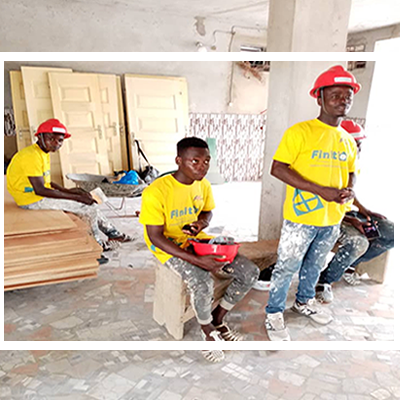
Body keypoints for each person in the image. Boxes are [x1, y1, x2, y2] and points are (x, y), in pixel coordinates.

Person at [139, 137, 259, 361]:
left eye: (206, 161)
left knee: (249, 272)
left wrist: (201, 223)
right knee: (202, 281)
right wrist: (197, 261)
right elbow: (155, 237)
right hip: (168, 246)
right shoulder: (156, 192)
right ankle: (208, 332)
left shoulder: (202, 184)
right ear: (179, 161)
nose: (202, 167)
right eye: (195, 161)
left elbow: (207, 211)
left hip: (196, 239)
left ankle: (217, 319)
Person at [264, 65, 360, 341]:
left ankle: (304, 301)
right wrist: (320, 191)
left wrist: (349, 189)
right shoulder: (300, 132)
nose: (342, 100)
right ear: (319, 97)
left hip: (332, 219)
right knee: (287, 266)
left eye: (347, 96)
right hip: (301, 218)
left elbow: (352, 171)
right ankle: (273, 313)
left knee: (315, 265)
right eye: (335, 95)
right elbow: (278, 168)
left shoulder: (347, 140)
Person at [6, 119, 133, 262]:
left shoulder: (42, 152)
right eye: (51, 139)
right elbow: (40, 190)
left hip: (36, 195)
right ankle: (95, 249)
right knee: (87, 208)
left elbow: (47, 182)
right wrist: (76, 197)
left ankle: (112, 233)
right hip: (31, 200)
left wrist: (70, 191)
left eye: (60, 140)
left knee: (90, 201)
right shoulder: (31, 157)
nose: (56, 143)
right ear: (39, 137)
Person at [316, 121, 394, 302]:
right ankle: (325, 280)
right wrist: (352, 221)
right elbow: (323, 204)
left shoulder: (350, 162)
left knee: (391, 232)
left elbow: (349, 193)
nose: (358, 148)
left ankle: (349, 265)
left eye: (359, 143)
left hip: (349, 213)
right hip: (331, 218)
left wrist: (365, 211)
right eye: (355, 143)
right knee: (359, 242)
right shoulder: (325, 164)